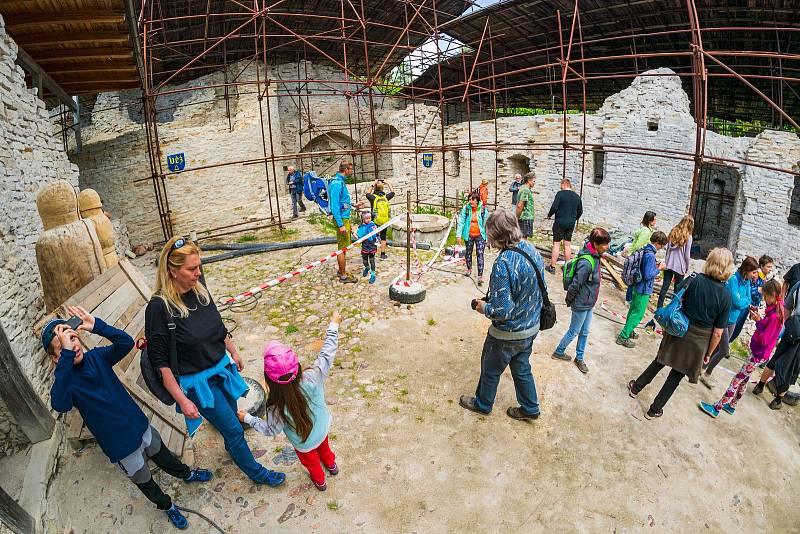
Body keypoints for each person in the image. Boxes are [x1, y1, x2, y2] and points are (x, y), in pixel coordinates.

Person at [47, 306, 212, 529]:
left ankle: (186, 474)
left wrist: (97, 326)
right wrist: (67, 356)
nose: (73, 346)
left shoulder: (97, 357)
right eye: (64, 347)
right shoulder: (66, 384)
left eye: (74, 339)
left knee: (164, 456)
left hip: (140, 426)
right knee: (144, 480)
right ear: (56, 359)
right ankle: (167, 506)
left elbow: (125, 343)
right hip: (120, 446)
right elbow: (60, 404)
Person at [145, 237, 286, 487]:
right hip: (198, 383)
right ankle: (257, 473)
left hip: (221, 368)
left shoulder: (199, 290)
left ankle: (233, 449)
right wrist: (182, 400)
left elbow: (217, 325)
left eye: (199, 266)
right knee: (233, 429)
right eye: (191, 269)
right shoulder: (159, 308)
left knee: (231, 415)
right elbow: (161, 362)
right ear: (172, 271)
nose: (198, 273)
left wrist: (234, 351)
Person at [239, 312, 342, 491]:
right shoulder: (313, 376)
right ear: (298, 367)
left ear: (268, 379)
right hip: (322, 429)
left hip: (304, 444)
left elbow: (270, 430)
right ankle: (332, 466)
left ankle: (320, 482)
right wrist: (333, 325)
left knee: (312, 464)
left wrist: (248, 418)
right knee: (325, 450)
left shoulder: (274, 406)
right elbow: (327, 354)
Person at [459, 209, 545, 421]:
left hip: (508, 334)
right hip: (531, 326)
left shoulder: (503, 263)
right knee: (521, 367)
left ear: (496, 235)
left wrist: (482, 307)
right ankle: (530, 407)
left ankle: (482, 403)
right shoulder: (531, 250)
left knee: (490, 367)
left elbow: (502, 311)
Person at [628, 247, 732, 419]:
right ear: (727, 268)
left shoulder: (695, 279)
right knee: (676, 376)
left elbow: (677, 298)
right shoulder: (726, 297)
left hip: (678, 328)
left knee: (660, 360)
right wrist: (709, 353)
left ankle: (635, 388)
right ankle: (654, 410)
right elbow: (718, 334)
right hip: (699, 340)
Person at [699, 279, 784, 417]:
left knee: (737, 379)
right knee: (744, 379)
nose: (765, 299)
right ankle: (732, 405)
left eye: (766, 297)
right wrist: (760, 319)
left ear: (773, 295)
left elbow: (765, 339)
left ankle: (717, 407)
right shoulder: (776, 308)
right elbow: (767, 329)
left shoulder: (775, 316)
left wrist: (758, 322)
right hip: (759, 352)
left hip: (758, 353)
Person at [551, 227, 611, 374]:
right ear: (596, 244)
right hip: (581, 303)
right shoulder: (587, 262)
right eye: (605, 244)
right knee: (574, 331)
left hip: (589, 303)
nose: (607, 247)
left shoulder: (596, 256)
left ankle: (579, 357)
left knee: (585, 332)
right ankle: (559, 351)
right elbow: (575, 284)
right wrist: (569, 300)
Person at [699, 256, 759, 388]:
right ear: (747, 270)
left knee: (717, 347)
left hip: (733, 320)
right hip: (723, 318)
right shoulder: (733, 279)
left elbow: (748, 299)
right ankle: (707, 374)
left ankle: (701, 367)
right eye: (754, 272)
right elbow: (737, 302)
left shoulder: (747, 282)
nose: (755, 275)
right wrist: (744, 302)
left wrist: (743, 301)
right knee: (724, 350)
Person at [752, 280, 800, 410]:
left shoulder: (798, 285)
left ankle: (760, 385)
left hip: (792, 328)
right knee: (792, 367)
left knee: (775, 358)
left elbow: (788, 307)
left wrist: (786, 325)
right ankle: (778, 400)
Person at [616, 231, 668, 348]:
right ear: (659, 243)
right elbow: (648, 275)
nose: (662, 248)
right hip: (643, 289)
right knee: (638, 314)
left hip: (636, 286)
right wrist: (659, 268)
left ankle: (630, 330)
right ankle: (623, 336)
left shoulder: (645, 250)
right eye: (662, 245)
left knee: (633, 310)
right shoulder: (650, 255)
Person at [644, 215, 694, 330]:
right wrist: (686, 267)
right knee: (677, 290)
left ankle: (659, 308)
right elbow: (687, 255)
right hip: (679, 266)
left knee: (664, 287)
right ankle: (671, 312)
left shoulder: (673, 231)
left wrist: (666, 261)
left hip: (669, 263)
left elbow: (667, 249)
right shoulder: (688, 237)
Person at [328, 162, 365, 283]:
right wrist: (340, 225)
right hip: (342, 219)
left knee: (344, 247)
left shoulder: (340, 182)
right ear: (345, 169)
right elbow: (334, 206)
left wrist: (354, 205)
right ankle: (343, 275)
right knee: (342, 248)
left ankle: (342, 270)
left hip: (345, 217)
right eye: (350, 169)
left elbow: (342, 201)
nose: (351, 172)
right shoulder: (336, 183)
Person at [730, 255, 774, 344]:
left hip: (746, 308)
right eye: (768, 266)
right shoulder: (737, 279)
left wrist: (747, 300)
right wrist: (758, 291)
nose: (770, 269)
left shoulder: (754, 279)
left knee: (736, 331)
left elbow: (748, 297)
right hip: (735, 312)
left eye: (771, 267)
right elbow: (739, 300)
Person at [545, 178, 583, 275]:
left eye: (560, 185)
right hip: (570, 223)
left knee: (557, 244)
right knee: (567, 245)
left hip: (560, 222)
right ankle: (567, 268)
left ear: (564, 184)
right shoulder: (577, 197)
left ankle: (552, 266)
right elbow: (580, 211)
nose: (560, 187)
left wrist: (549, 215)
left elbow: (554, 207)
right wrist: (573, 219)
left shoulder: (560, 194)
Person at [456, 192, 489, 286]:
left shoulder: (483, 209)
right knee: (468, 253)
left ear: (477, 200)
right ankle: (469, 269)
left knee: (480, 254)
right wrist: (459, 235)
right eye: (469, 199)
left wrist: (488, 237)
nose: (470, 201)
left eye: (472, 200)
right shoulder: (466, 209)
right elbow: (461, 221)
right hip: (469, 234)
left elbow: (487, 224)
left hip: (480, 235)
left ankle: (480, 276)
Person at [364, 179, 395, 259]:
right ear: (382, 188)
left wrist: (373, 184)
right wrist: (388, 182)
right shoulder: (386, 197)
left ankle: (371, 252)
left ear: (375, 188)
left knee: (373, 235)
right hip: (384, 220)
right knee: (383, 237)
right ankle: (383, 254)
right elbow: (393, 192)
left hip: (375, 220)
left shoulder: (373, 197)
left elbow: (367, 193)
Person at [356, 211, 379, 284]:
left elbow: (377, 234)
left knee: (372, 261)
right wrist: (353, 232)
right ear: (363, 219)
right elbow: (358, 237)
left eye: (369, 218)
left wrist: (378, 239)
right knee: (365, 261)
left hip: (372, 246)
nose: (368, 219)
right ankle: (367, 267)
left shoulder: (373, 225)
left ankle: (373, 274)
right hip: (365, 246)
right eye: (366, 218)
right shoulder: (361, 227)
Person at [516, 172, 536, 239]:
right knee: (523, 239)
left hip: (526, 217)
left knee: (523, 238)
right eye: (533, 181)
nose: (534, 183)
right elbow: (520, 205)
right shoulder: (525, 190)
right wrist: (517, 217)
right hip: (525, 217)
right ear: (529, 180)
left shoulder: (525, 189)